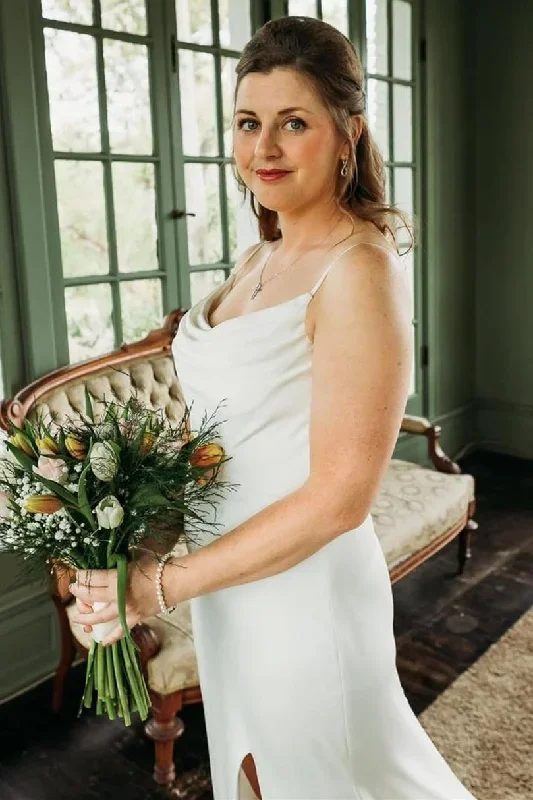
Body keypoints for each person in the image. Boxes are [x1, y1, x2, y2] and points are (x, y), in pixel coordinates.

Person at [71, 16, 476, 800]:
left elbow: (336, 502)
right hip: (231, 584)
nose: (265, 149)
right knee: (257, 776)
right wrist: (132, 524)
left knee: (329, 779)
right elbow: (223, 422)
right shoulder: (261, 253)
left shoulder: (357, 270)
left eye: (294, 122)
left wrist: (159, 587)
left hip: (304, 594)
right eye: (249, 123)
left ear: (346, 134)